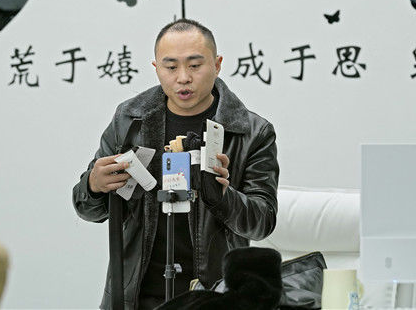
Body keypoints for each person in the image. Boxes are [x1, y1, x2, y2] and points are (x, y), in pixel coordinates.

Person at [72, 19, 280, 310]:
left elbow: (263, 223)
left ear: (217, 64)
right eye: (170, 67)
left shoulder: (252, 132)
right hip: (135, 296)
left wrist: (223, 196)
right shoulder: (130, 120)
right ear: (156, 68)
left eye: (195, 65)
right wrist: (94, 186)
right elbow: (89, 210)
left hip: (213, 299)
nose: (183, 78)